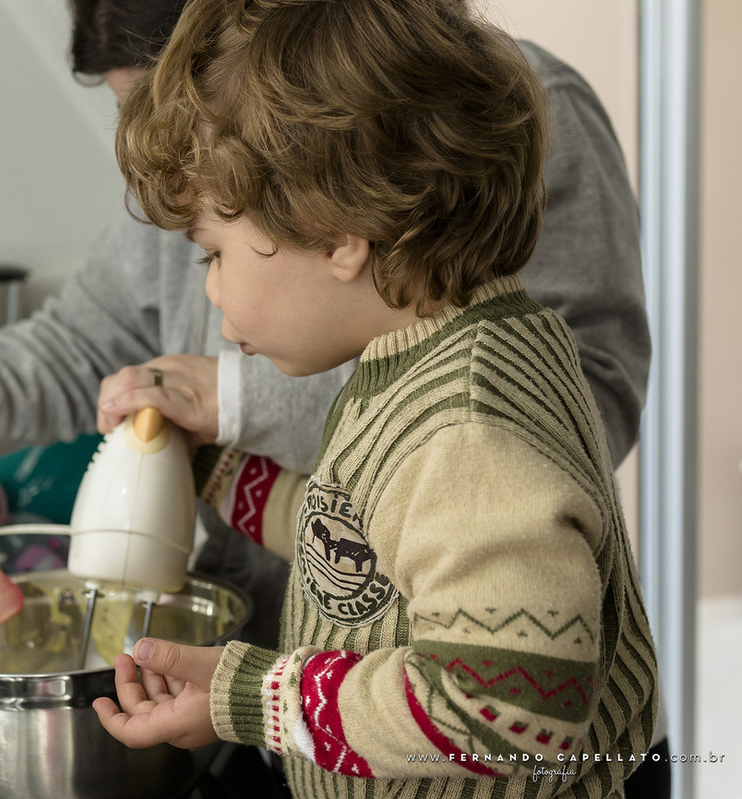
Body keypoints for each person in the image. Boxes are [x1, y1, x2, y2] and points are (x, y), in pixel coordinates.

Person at [88, 1, 659, 797]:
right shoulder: (433, 352)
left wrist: (254, 697)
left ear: (335, 232)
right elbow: (368, 547)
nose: (213, 292)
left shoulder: (465, 428)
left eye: (214, 254)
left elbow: (505, 711)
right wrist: (222, 475)